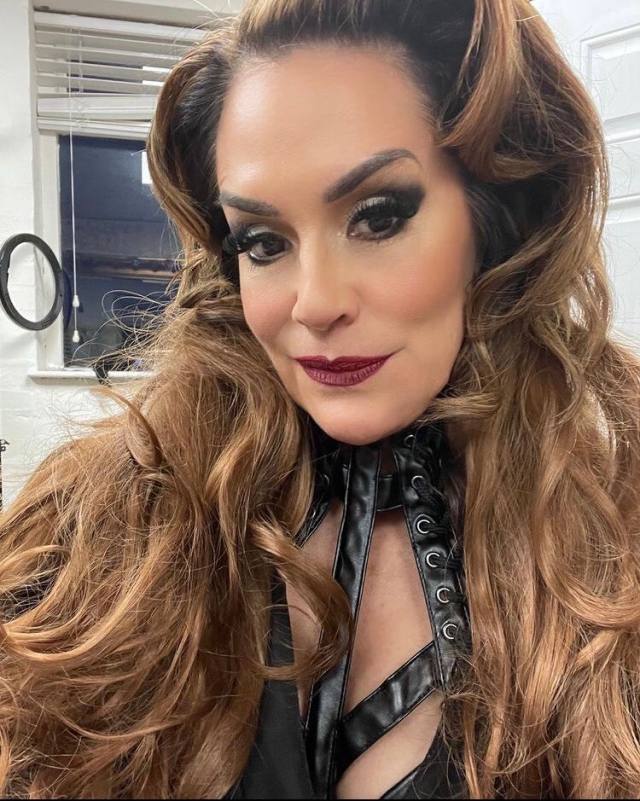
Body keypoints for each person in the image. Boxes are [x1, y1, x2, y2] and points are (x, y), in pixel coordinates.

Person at [1, 0, 640, 797]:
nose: (314, 302)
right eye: (264, 242)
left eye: (377, 217)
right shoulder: (99, 525)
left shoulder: (617, 525)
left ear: (496, 217)